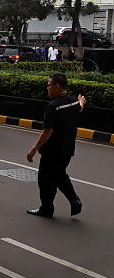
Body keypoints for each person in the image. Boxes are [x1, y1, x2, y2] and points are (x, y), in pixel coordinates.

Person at [26, 73, 86, 217]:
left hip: (52, 151)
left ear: (58, 86)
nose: (47, 88)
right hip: (67, 150)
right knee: (59, 175)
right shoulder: (73, 102)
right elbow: (80, 107)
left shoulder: (53, 106)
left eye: (49, 85)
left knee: (45, 180)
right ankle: (74, 200)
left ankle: (47, 209)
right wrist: (81, 101)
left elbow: (48, 130)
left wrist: (34, 149)